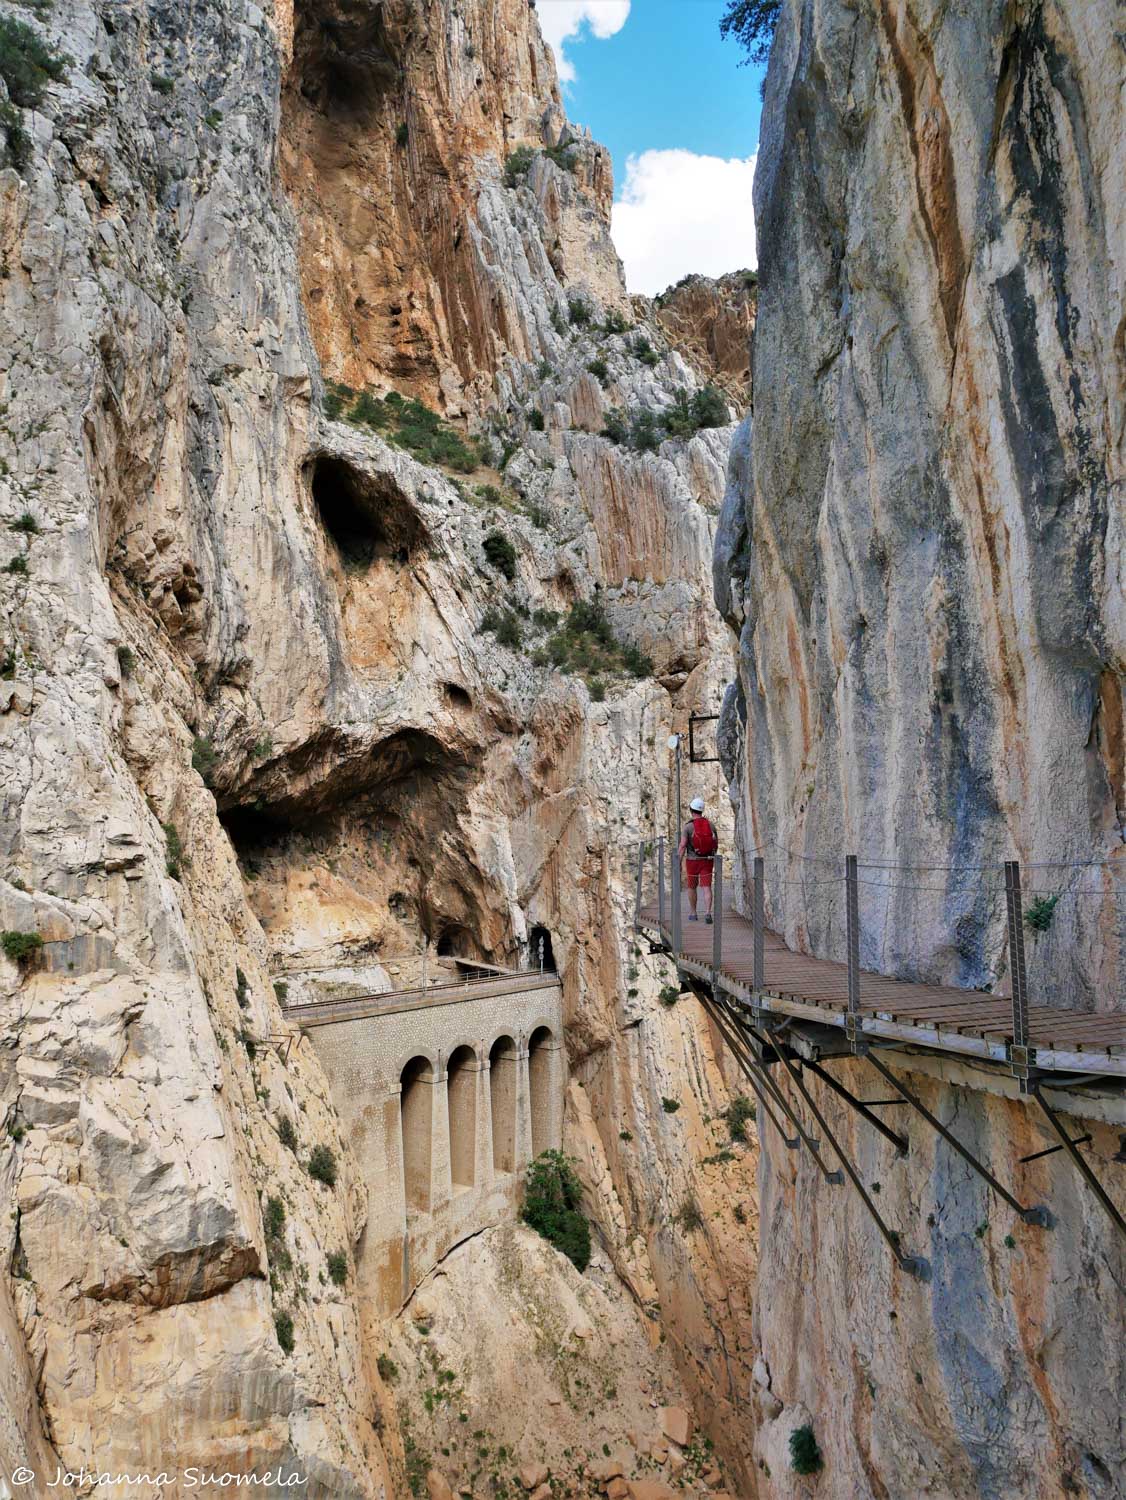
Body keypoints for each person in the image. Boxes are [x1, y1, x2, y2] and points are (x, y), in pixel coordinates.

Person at [678, 795, 718, 924]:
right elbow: (715, 843)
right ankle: (708, 913)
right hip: (707, 860)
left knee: (691, 887)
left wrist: (678, 862)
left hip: (692, 861)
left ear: (691, 810)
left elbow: (683, 845)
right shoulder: (711, 825)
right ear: (702, 810)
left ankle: (693, 913)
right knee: (707, 887)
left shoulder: (688, 827)